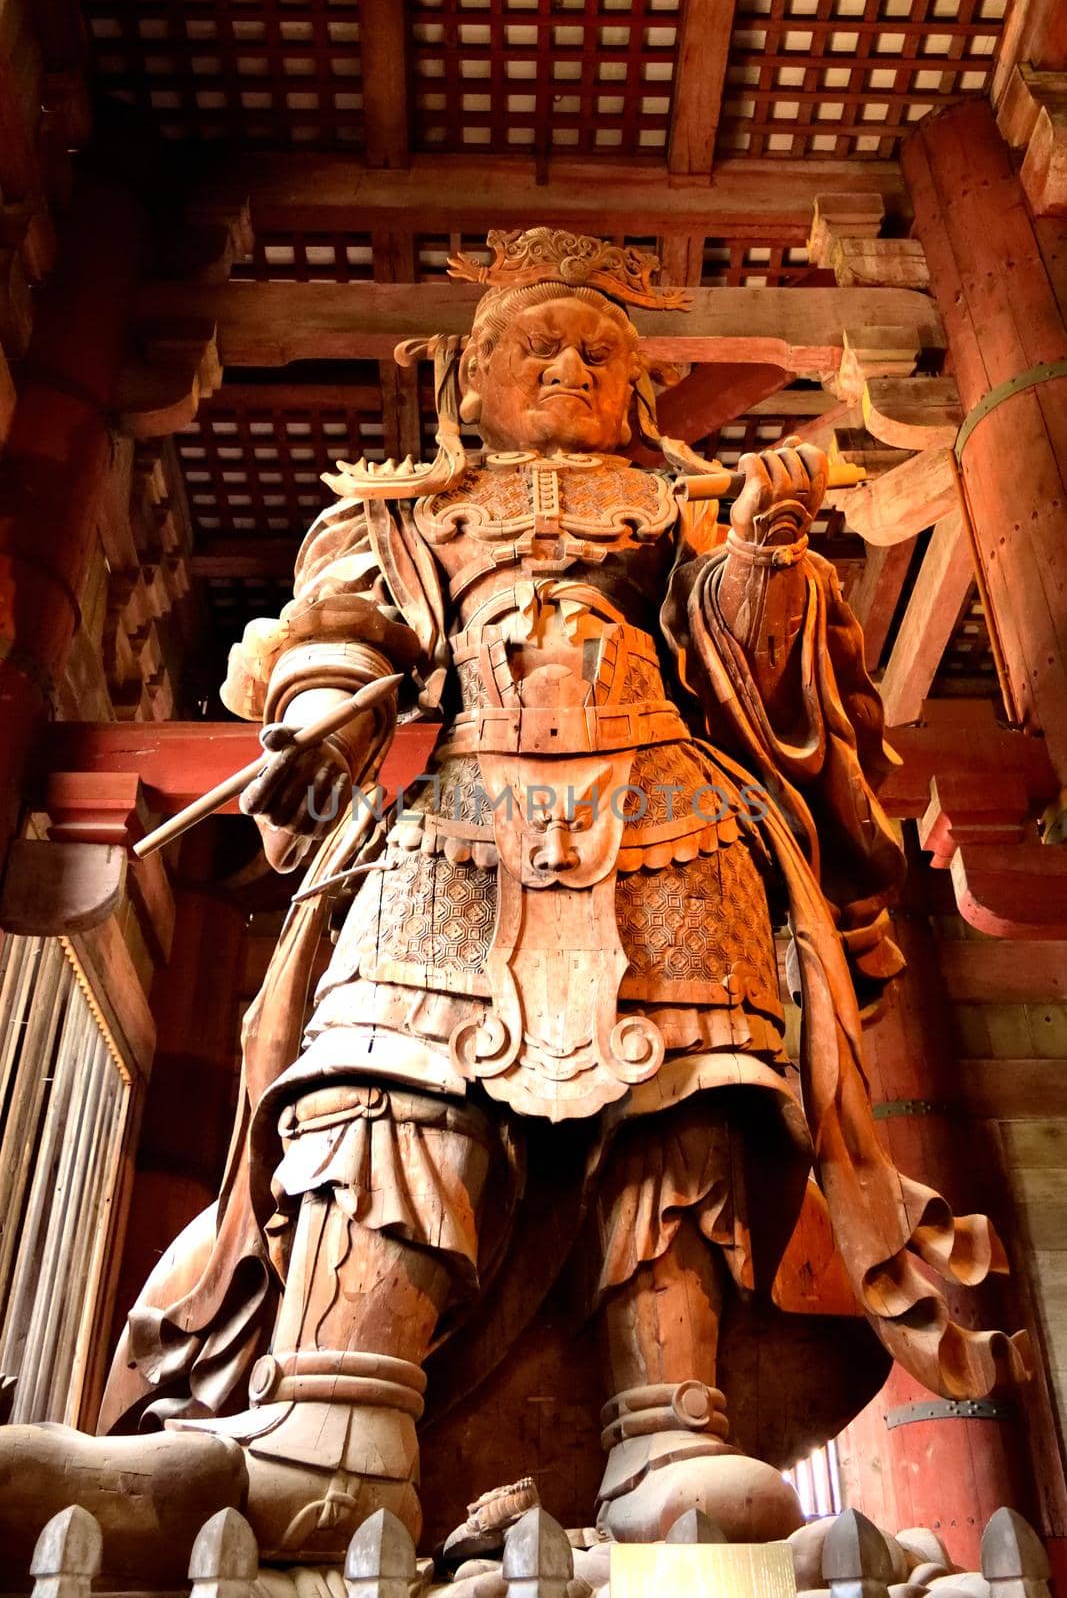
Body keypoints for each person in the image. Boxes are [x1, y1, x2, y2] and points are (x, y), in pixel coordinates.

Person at [98, 229, 1027, 1562]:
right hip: (460, 815)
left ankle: (670, 1420)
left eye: (604, 349)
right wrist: (322, 711)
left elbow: (760, 681)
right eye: (540, 343)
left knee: (685, 1097)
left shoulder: (683, 505)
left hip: (669, 815)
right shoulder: (397, 512)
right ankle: (338, 1401)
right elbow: (336, 633)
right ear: (472, 379)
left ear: (641, 387)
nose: (574, 363)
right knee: (389, 1076)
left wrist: (763, 555)